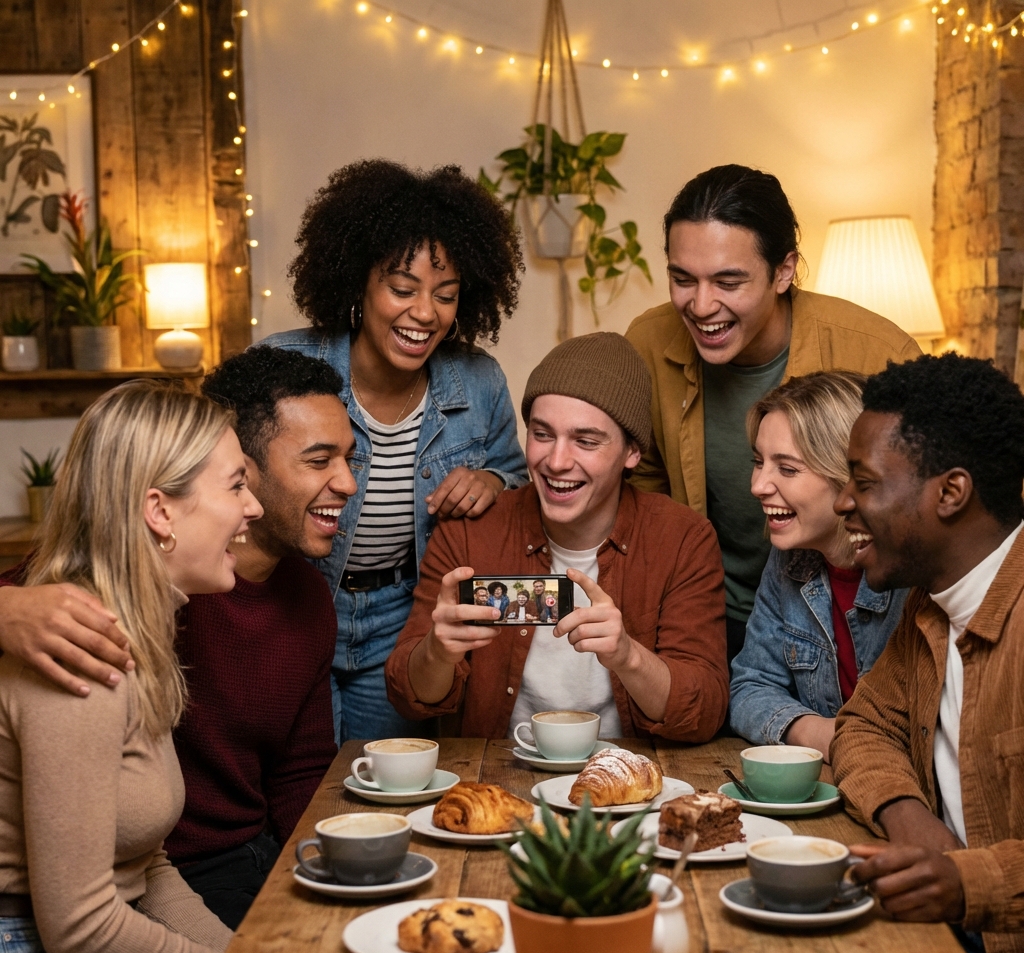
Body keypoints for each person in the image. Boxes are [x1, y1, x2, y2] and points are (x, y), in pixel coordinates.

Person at [0, 348, 350, 931]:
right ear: (248, 469)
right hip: (156, 881)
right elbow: (87, 917)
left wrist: (335, 871)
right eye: (319, 460)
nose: (348, 481)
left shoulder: (303, 598)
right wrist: (4, 608)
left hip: (229, 861)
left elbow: (299, 773)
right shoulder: (103, 603)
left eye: (348, 457)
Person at [0, 381, 262, 953]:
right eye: (234, 485)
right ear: (160, 512)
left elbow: (147, 866)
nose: (253, 507)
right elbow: (80, 927)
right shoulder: (80, 654)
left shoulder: (136, 636)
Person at [263, 159, 529, 743]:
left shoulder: (479, 383)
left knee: (384, 785)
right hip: (291, 610)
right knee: (306, 794)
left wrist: (493, 482)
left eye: (446, 295)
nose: (425, 313)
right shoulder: (285, 367)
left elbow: (519, 483)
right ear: (360, 282)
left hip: (403, 617)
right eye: (402, 288)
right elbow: (218, 485)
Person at [625, 164, 922, 664]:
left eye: (728, 281)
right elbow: (643, 490)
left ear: (784, 271)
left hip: (843, 626)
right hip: (702, 621)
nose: (700, 305)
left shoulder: (879, 353)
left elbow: (927, 510)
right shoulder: (648, 343)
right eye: (682, 279)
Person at [385, 332, 728, 743]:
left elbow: (703, 712)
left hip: (630, 786)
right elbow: (408, 698)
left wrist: (628, 656)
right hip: (499, 783)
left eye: (585, 441)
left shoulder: (682, 540)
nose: (557, 461)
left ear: (632, 452)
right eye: (543, 434)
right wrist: (437, 653)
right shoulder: (469, 532)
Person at [828, 354, 1024, 953]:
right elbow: (862, 726)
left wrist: (965, 881)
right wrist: (915, 827)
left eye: (864, 482)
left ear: (950, 492)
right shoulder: (931, 602)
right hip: (947, 942)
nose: (843, 503)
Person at [728, 371, 907, 759]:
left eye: (788, 469)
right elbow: (748, 686)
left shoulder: (913, 575)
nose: (758, 485)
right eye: (759, 462)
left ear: (849, 476)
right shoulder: (789, 558)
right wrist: (817, 734)